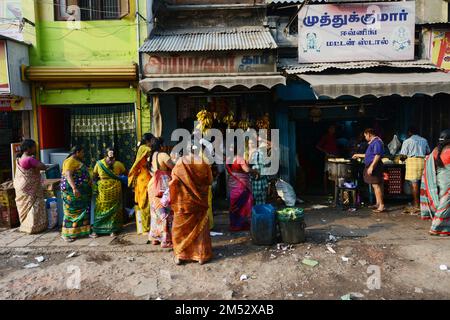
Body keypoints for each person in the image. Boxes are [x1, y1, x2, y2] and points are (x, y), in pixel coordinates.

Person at [170, 143, 213, 265]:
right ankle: (200, 256)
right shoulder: (203, 163)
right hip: (199, 202)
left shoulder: (180, 163)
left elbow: (174, 180)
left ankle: (180, 255)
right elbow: (209, 180)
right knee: (201, 230)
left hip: (183, 203)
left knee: (180, 230)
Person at [13, 139, 49, 234]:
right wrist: (38, 160)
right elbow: (43, 167)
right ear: (28, 149)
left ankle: (25, 226)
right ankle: (33, 227)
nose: (35, 149)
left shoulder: (19, 158)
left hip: (21, 187)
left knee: (25, 207)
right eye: (33, 147)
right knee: (34, 206)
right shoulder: (29, 159)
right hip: (30, 189)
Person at [90, 148, 127, 238]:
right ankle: (112, 231)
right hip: (115, 188)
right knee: (114, 209)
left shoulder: (99, 164)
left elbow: (94, 176)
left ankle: (97, 231)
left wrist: (95, 186)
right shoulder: (118, 164)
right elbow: (126, 173)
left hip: (103, 189)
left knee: (100, 208)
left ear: (105, 154)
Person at [420, 129, 450, 236]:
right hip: (447, 184)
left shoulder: (435, 150)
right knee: (445, 207)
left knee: (444, 206)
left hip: (438, 182)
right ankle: (436, 228)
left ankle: (445, 229)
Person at [60, 145, 92, 242]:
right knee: (71, 212)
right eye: (82, 152)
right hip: (72, 191)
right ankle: (66, 234)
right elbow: (68, 175)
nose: (83, 154)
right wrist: (74, 188)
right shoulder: (70, 161)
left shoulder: (76, 161)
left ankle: (80, 232)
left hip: (81, 192)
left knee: (82, 211)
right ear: (77, 152)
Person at [147, 137, 174, 248]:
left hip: (152, 185)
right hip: (163, 186)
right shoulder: (163, 155)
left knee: (155, 212)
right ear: (161, 146)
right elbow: (174, 167)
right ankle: (165, 239)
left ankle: (154, 238)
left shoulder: (150, 157)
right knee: (166, 211)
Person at [352, 128, 385, 213]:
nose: (365, 137)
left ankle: (381, 205)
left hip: (375, 167)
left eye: (365, 135)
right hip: (373, 166)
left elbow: (377, 155)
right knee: (375, 186)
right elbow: (368, 155)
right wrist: (357, 155)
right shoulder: (373, 142)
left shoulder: (376, 142)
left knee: (376, 186)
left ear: (369, 134)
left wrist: (372, 167)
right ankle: (378, 203)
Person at [399, 126, 430, 214]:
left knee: (414, 185)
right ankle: (422, 203)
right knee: (422, 184)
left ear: (409, 133)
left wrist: (401, 161)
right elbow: (428, 152)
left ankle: (416, 205)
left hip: (412, 162)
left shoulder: (407, 141)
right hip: (423, 162)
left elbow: (403, 155)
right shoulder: (424, 140)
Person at [128, 133, 154, 235]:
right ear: (148, 140)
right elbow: (151, 154)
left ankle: (147, 227)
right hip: (144, 179)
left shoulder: (142, 148)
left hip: (143, 178)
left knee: (145, 203)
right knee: (145, 204)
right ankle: (146, 229)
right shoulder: (145, 148)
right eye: (152, 140)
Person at [226, 143, 255, 231]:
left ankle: (234, 225)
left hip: (232, 186)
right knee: (246, 203)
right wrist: (255, 171)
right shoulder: (240, 159)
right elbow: (246, 169)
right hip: (242, 186)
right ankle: (242, 224)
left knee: (234, 205)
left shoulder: (228, 159)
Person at [316, 125, 339, 194]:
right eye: (332, 129)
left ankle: (333, 189)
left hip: (335, 157)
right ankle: (325, 189)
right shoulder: (326, 136)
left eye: (334, 129)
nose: (333, 130)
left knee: (334, 173)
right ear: (329, 129)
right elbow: (317, 146)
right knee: (326, 173)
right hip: (328, 157)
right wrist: (325, 152)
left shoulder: (335, 137)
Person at [249, 137, 269, 205]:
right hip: (253, 179)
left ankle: (261, 212)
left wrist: (261, 139)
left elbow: (272, 145)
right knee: (253, 199)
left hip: (261, 179)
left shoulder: (261, 151)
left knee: (262, 199)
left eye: (252, 143)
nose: (251, 145)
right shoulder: (248, 153)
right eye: (249, 143)